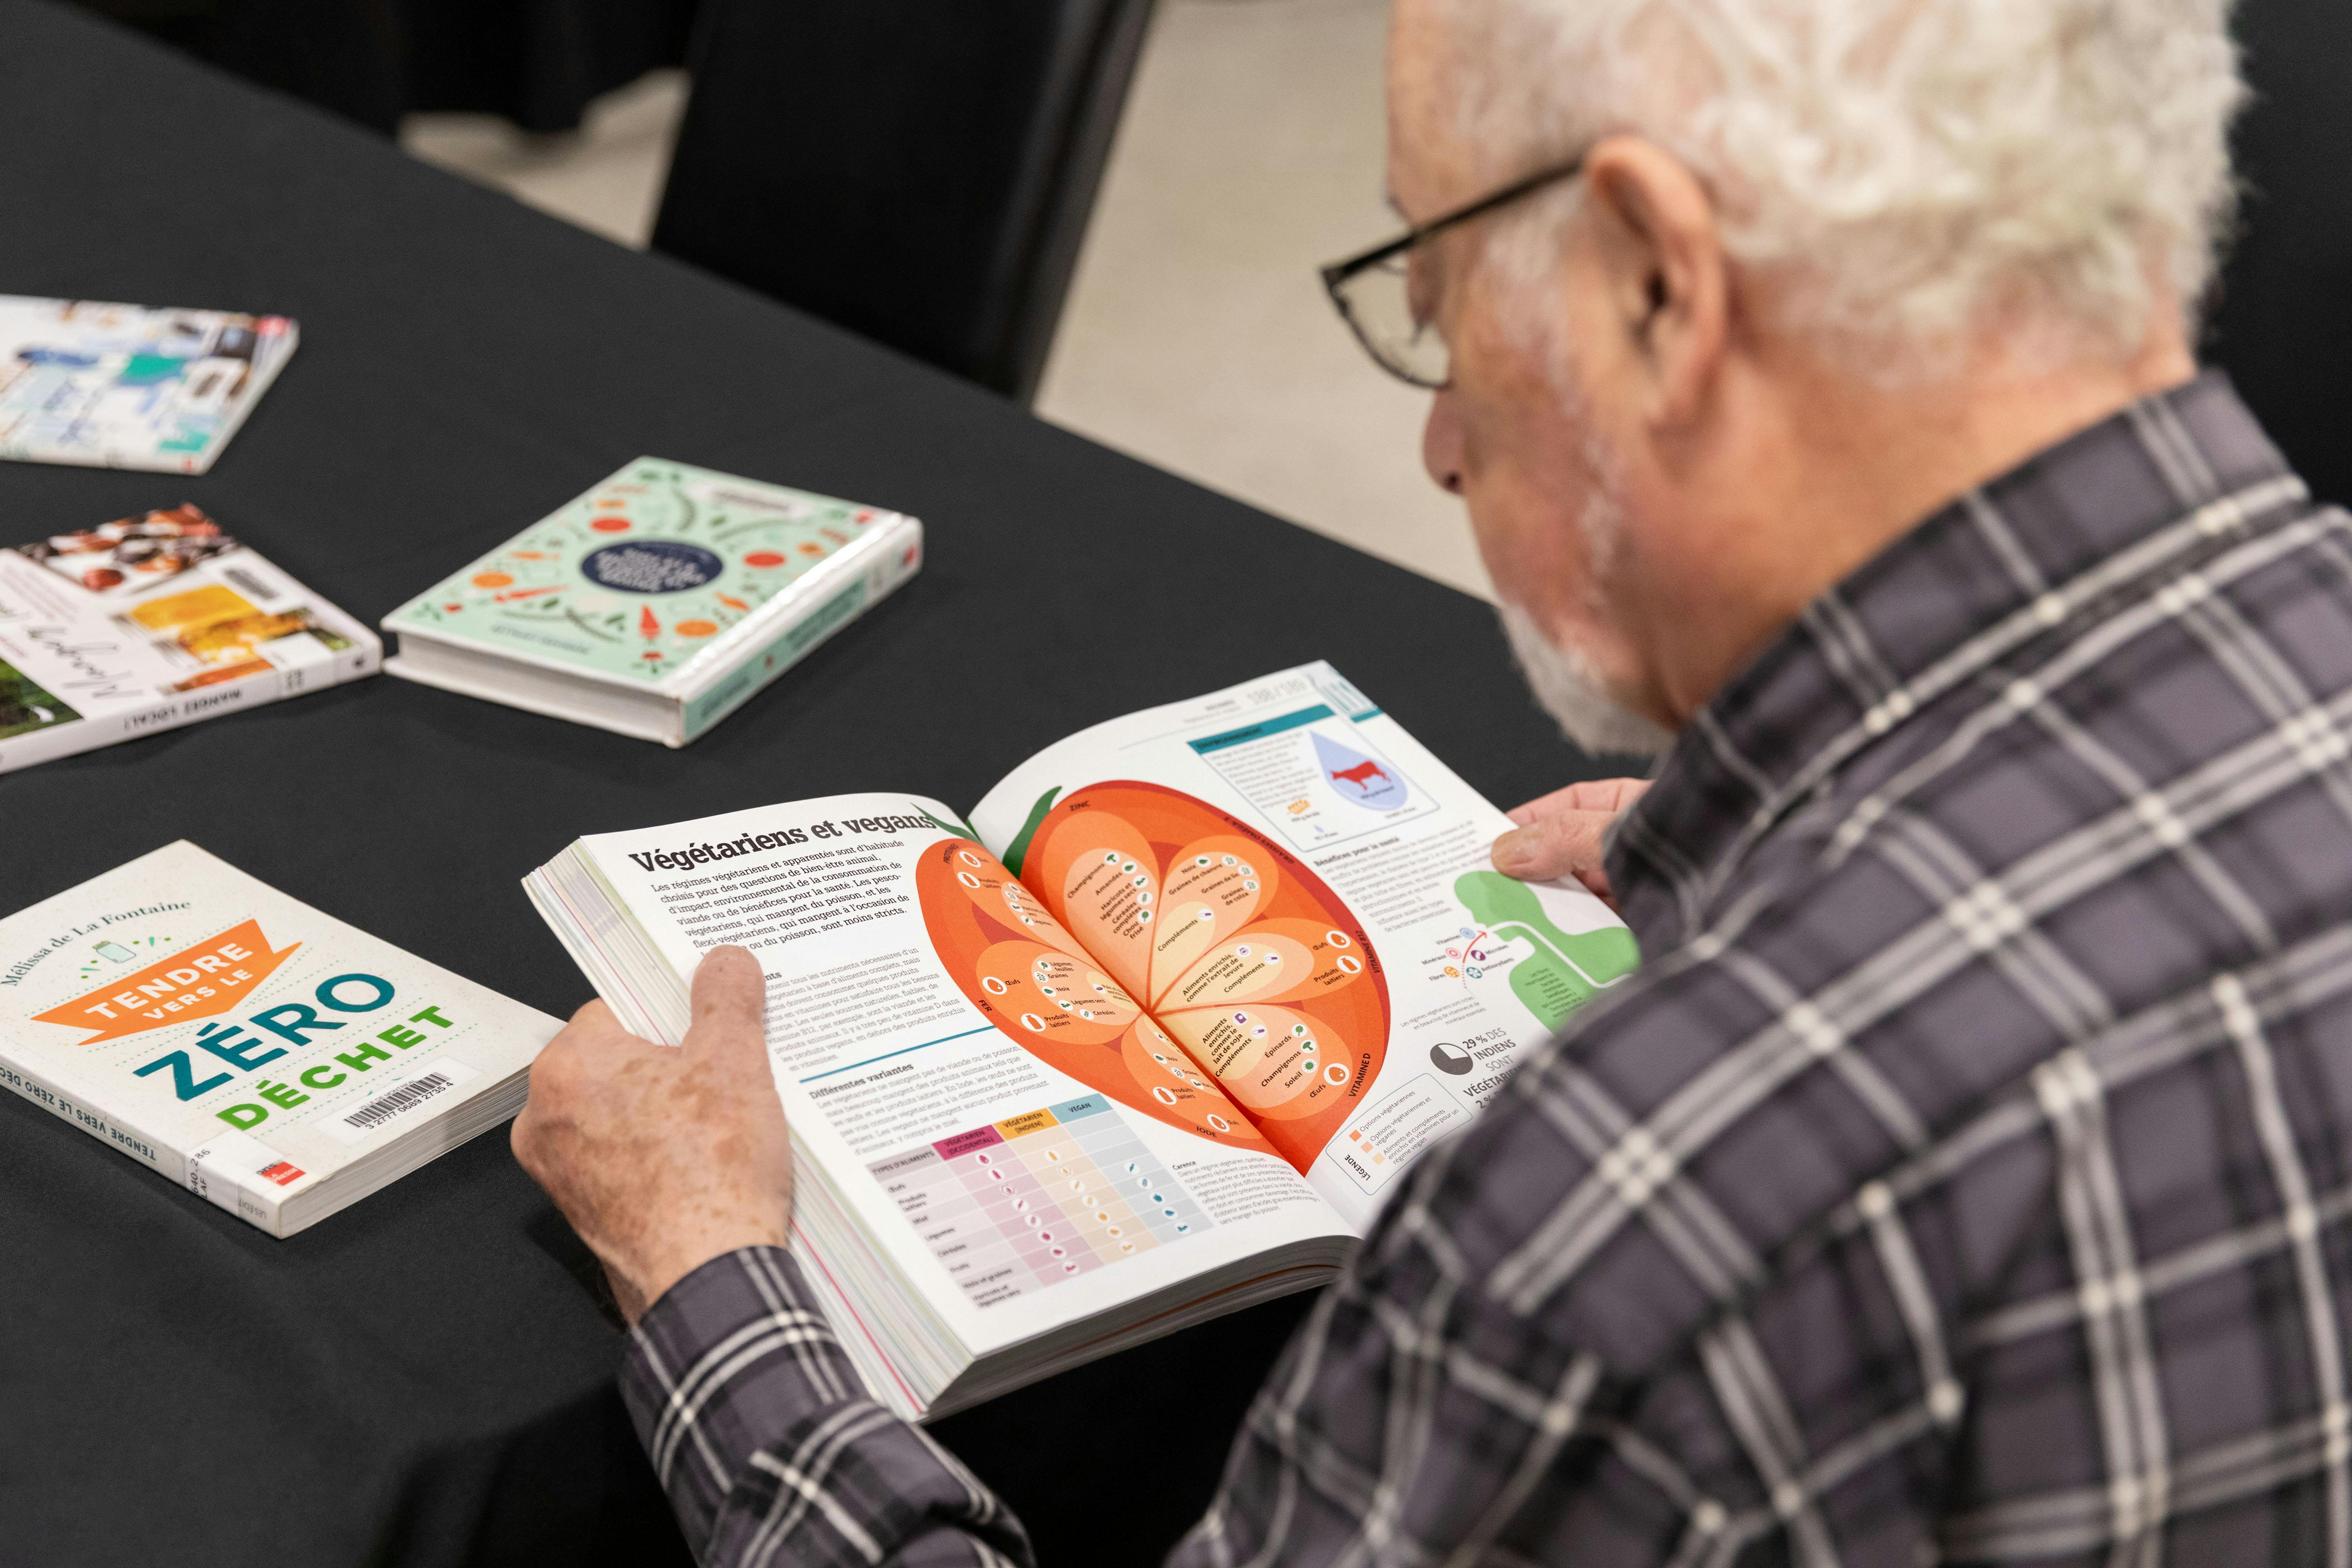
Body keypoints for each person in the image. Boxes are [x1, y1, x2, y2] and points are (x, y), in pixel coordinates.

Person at [514, 0, 2352, 1561]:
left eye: (1439, 276)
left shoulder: (1635, 1213)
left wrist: (716, 1291)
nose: (1436, 431)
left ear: (1654, 285)